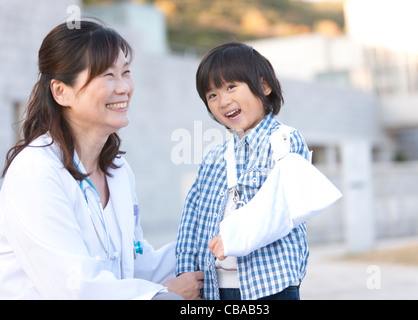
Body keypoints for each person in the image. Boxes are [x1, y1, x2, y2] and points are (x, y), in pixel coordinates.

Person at [0, 20, 204, 300]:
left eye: (126, 72)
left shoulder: (117, 171)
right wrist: (165, 294)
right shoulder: (36, 172)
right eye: (107, 75)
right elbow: (76, 288)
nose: (123, 88)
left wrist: (210, 238)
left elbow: (133, 267)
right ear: (61, 91)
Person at [176, 42, 311, 300]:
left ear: (264, 86)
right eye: (212, 95)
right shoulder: (213, 157)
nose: (223, 101)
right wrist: (185, 271)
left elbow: (281, 207)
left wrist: (235, 237)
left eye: (230, 87)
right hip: (216, 288)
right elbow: (191, 218)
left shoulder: (285, 142)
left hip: (272, 285)